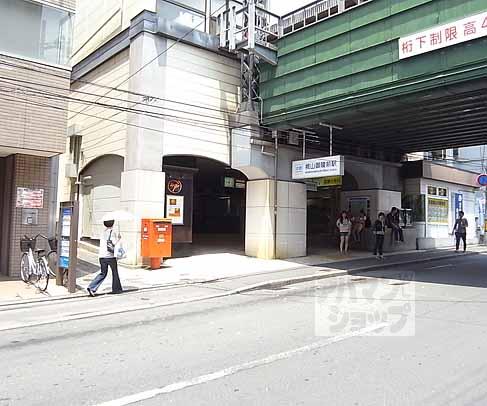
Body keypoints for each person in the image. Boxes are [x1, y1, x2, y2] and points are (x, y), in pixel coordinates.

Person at [87, 219, 123, 296]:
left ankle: (92, 287)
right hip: (110, 256)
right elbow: (114, 244)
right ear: (112, 223)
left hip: (101, 256)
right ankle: (117, 289)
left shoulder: (103, 232)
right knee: (115, 272)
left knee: (103, 273)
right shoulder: (112, 232)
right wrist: (119, 238)